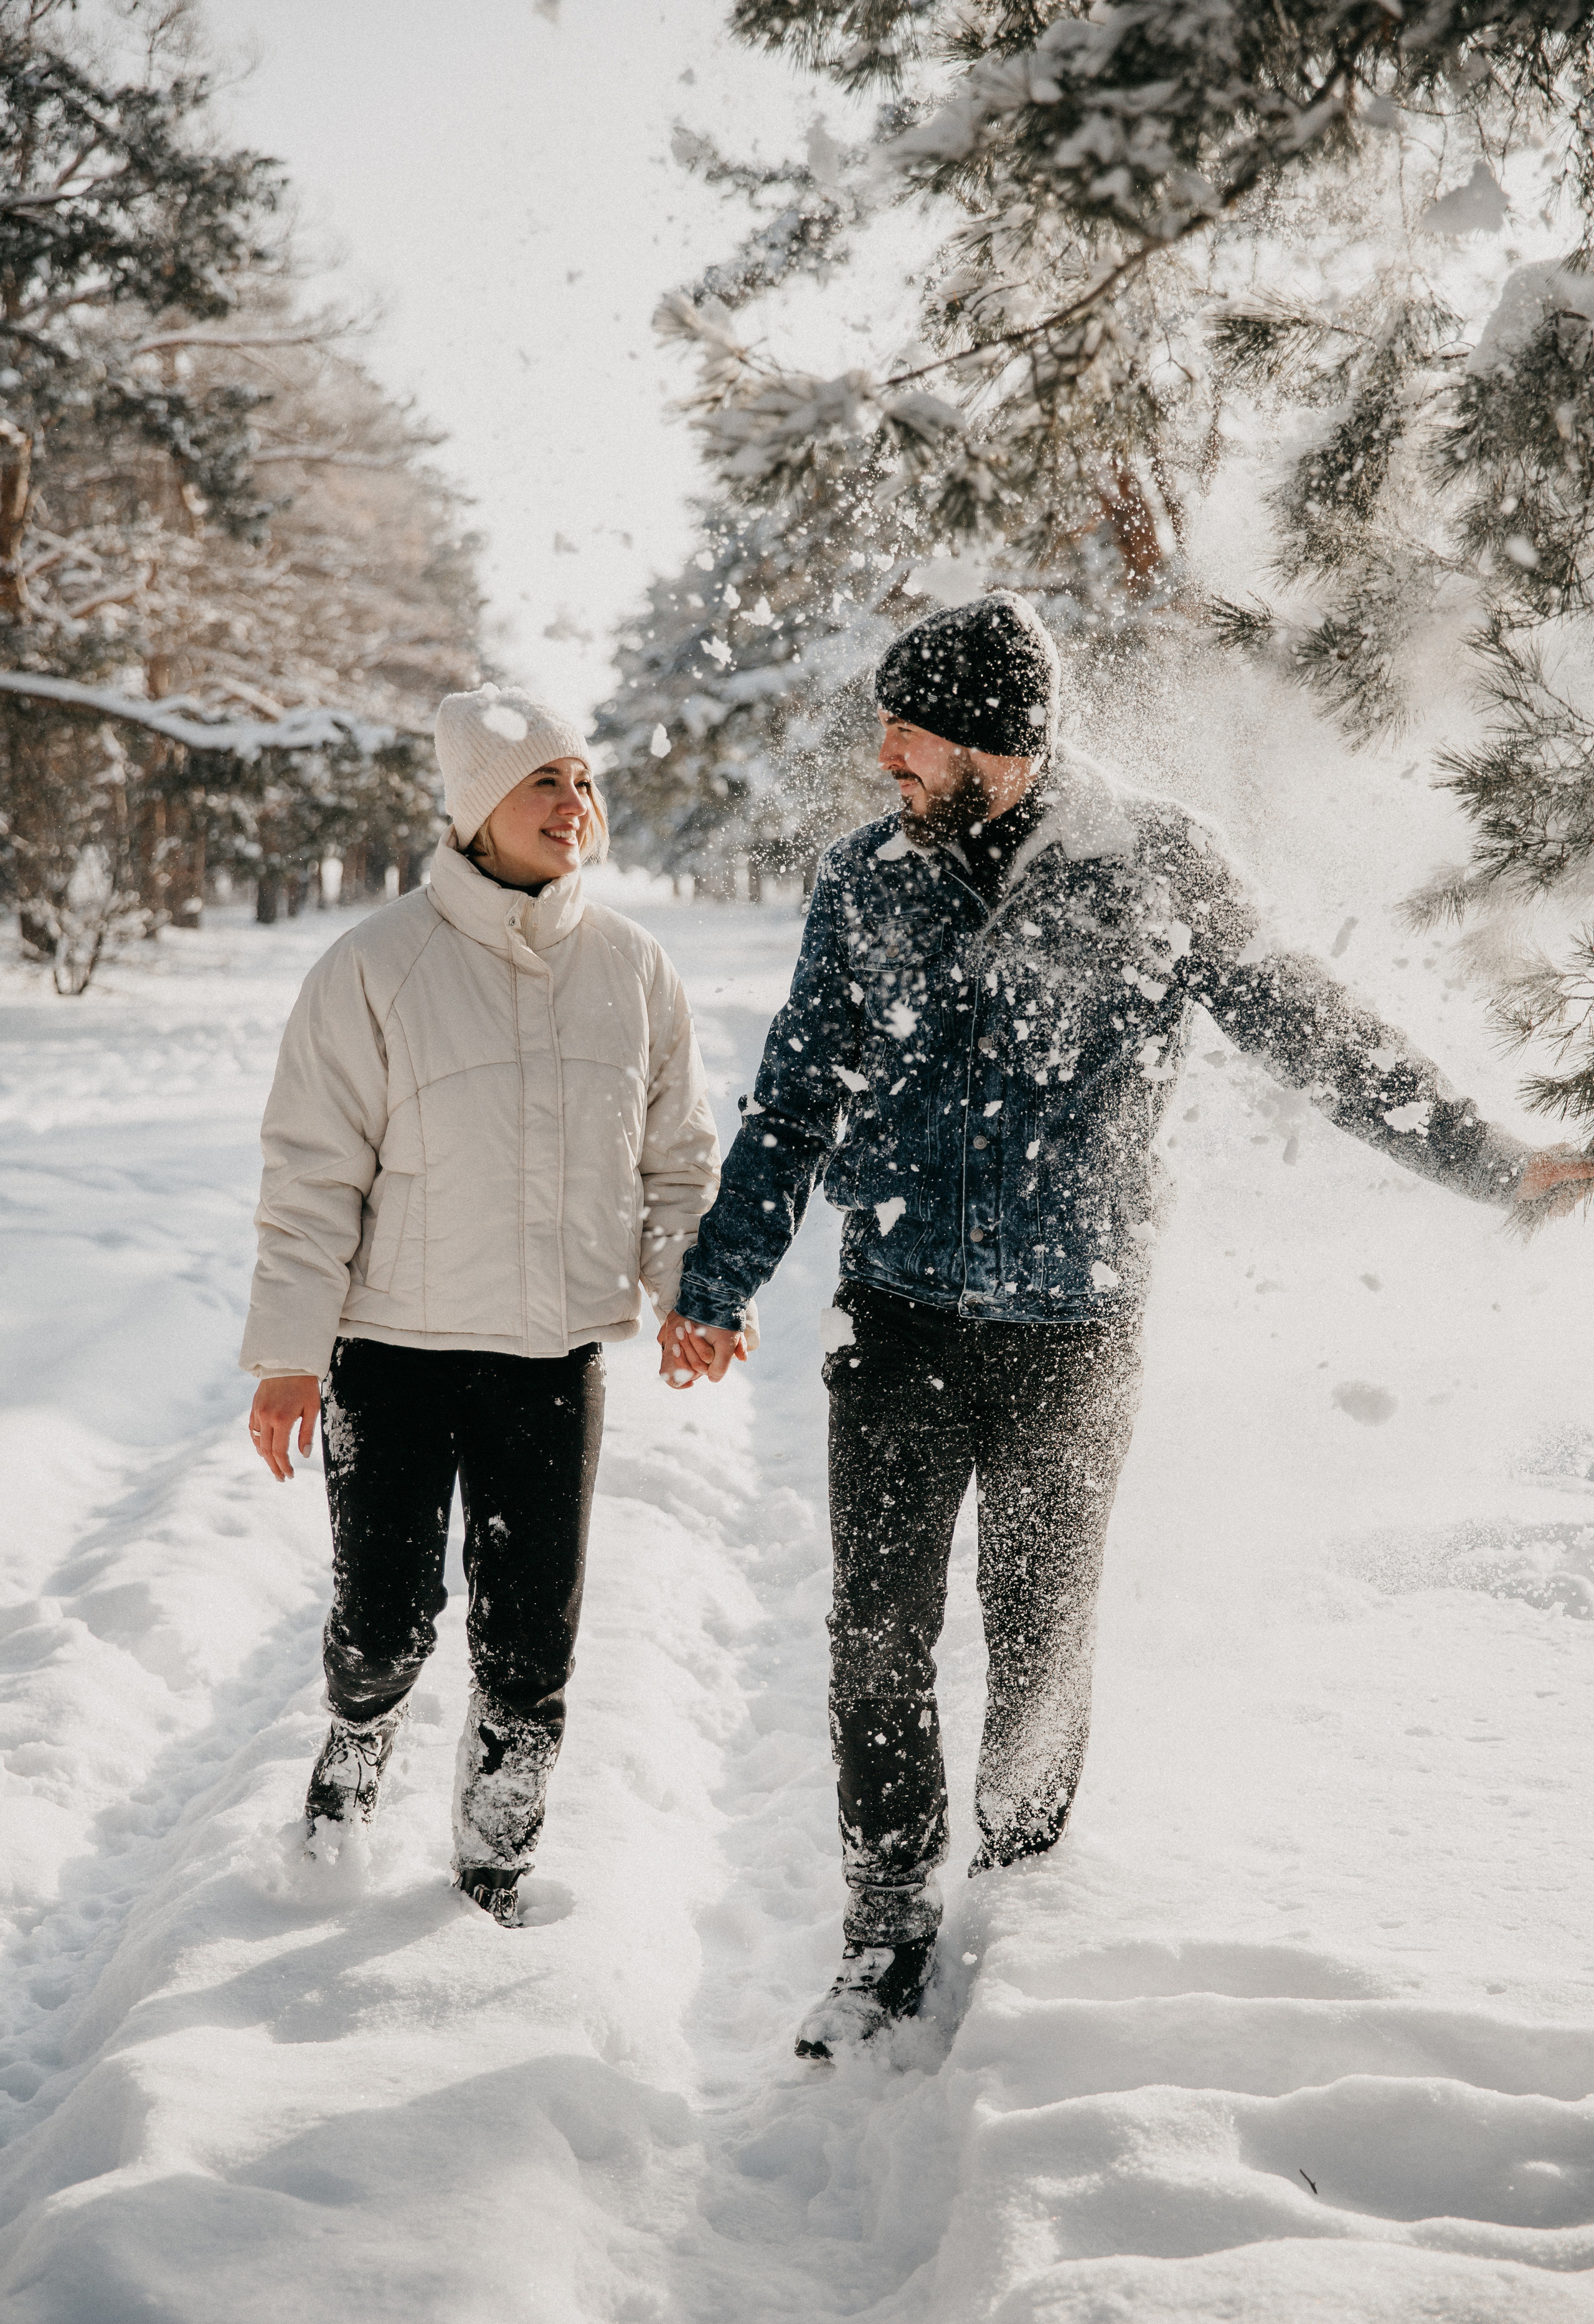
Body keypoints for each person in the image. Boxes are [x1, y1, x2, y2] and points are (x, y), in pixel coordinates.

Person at [658, 591, 1594, 2056]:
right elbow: (795, 1095)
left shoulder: (1150, 860)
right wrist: (718, 1280)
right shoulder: (865, 879)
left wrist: (1486, 1159)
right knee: (877, 1640)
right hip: (897, 1317)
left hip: (1069, 1334)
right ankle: (886, 1922)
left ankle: (1019, 1904)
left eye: (906, 735)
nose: (881, 761)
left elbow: (1309, 1026)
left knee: (1039, 1641)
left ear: (991, 740)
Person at [242, 685, 729, 1924]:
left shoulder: (630, 968)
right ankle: (355, 1747)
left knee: (530, 1648)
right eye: (540, 784)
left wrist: (689, 1291)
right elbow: (311, 1176)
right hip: (391, 1356)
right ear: (474, 812)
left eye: (580, 782)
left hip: (549, 1362)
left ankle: (493, 1869)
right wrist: (293, 1355)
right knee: (384, 1621)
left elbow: (676, 1157)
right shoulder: (374, 968)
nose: (573, 805)